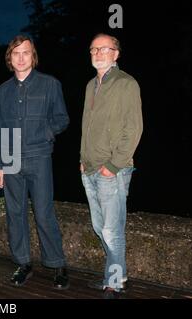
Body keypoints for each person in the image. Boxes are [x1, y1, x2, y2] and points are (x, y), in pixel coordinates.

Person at [0, 35, 70, 289]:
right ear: (10, 58)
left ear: (33, 56)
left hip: (39, 158)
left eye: (26, 52)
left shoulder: (50, 84)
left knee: (44, 212)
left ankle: (57, 264)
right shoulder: (3, 91)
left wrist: (45, 134)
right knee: (15, 214)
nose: (21, 57)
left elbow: (61, 118)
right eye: (16, 53)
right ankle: (23, 263)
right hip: (11, 160)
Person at [80, 33, 143, 299]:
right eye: (93, 49)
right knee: (99, 227)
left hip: (112, 170)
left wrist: (113, 165)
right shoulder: (90, 85)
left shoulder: (126, 83)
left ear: (116, 54)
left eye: (103, 49)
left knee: (111, 230)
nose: (97, 53)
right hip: (90, 168)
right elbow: (87, 126)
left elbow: (134, 128)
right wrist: (82, 159)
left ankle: (114, 282)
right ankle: (118, 273)